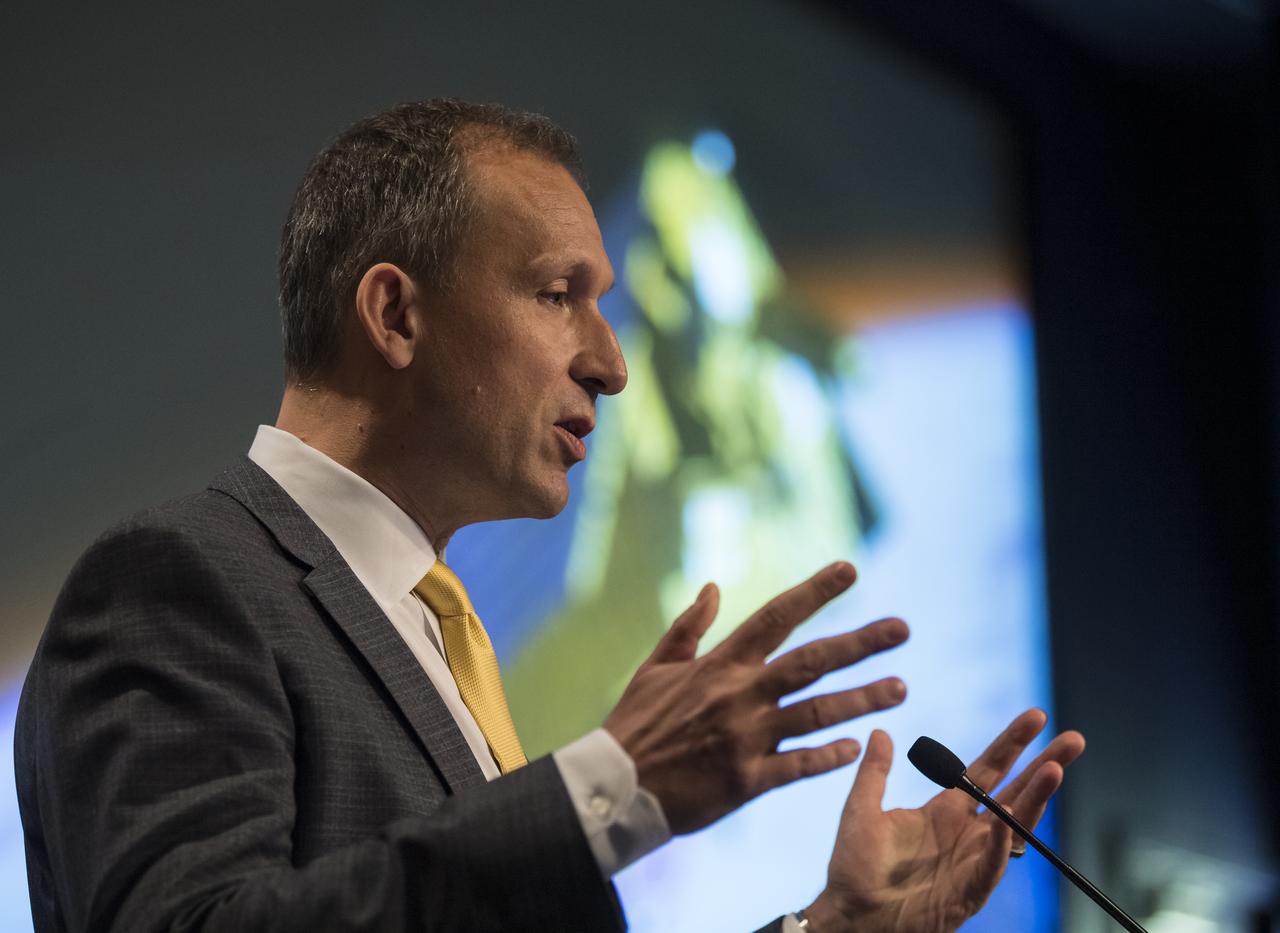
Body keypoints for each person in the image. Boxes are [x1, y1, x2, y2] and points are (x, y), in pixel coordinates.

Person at [14, 99, 1084, 932]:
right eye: (556, 292)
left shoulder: (433, 631)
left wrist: (827, 926)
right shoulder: (178, 581)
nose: (611, 363)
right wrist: (609, 785)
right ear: (395, 314)